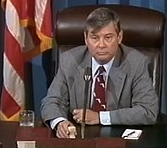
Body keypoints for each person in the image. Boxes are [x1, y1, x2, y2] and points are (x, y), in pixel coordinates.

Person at [40, 7, 159, 138]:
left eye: (108, 37)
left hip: (119, 140)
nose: (101, 45)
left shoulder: (136, 63)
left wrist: (100, 117)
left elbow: (148, 111)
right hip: (80, 140)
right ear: (86, 39)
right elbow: (52, 101)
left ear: (119, 37)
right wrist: (60, 122)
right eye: (95, 38)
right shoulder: (70, 61)